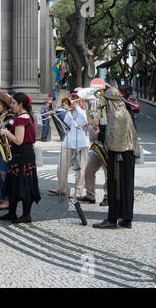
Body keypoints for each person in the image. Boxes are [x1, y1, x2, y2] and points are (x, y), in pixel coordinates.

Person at [93, 87, 140, 229]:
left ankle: (112, 220)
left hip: (119, 156)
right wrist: (100, 127)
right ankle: (127, 219)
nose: (105, 104)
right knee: (126, 187)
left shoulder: (117, 114)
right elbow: (113, 130)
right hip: (127, 155)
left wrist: (99, 135)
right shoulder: (123, 112)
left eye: (106, 101)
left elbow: (112, 137)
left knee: (115, 187)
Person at [0, 92, 41, 223]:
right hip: (21, 154)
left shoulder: (21, 119)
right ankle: (12, 213)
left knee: (24, 185)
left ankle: (26, 215)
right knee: (13, 183)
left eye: (13, 103)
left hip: (23, 155)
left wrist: (6, 132)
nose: (12, 106)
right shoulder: (27, 116)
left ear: (21, 104)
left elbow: (18, 140)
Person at [49, 93, 89, 198]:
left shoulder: (84, 110)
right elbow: (66, 123)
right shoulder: (70, 111)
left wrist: (78, 109)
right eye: (72, 99)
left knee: (80, 169)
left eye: (76, 99)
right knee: (61, 166)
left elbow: (86, 120)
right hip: (69, 141)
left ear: (81, 101)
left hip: (81, 142)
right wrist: (70, 112)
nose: (73, 101)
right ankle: (62, 189)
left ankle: (78, 191)